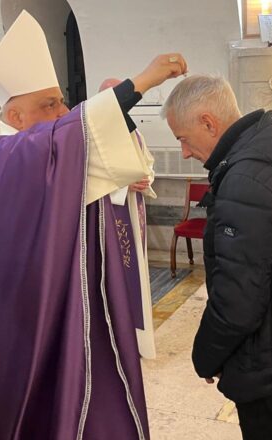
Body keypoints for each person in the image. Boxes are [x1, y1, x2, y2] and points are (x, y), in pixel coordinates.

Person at [0, 11, 186, 439]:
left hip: (64, 301)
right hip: (20, 319)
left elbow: (74, 139)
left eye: (61, 100)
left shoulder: (36, 149)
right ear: (15, 117)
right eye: (49, 105)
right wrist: (140, 82)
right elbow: (68, 136)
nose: (65, 112)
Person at [163, 74, 272, 440]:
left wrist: (206, 356)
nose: (184, 152)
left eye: (182, 138)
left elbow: (238, 299)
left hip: (270, 366)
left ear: (208, 123)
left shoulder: (246, 179)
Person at [99, 77, 156, 360]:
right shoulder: (96, 135)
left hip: (135, 208)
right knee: (118, 273)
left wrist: (146, 178)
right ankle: (118, 338)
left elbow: (148, 162)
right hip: (113, 211)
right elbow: (88, 176)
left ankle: (138, 339)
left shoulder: (133, 131)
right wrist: (124, 185)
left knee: (137, 272)